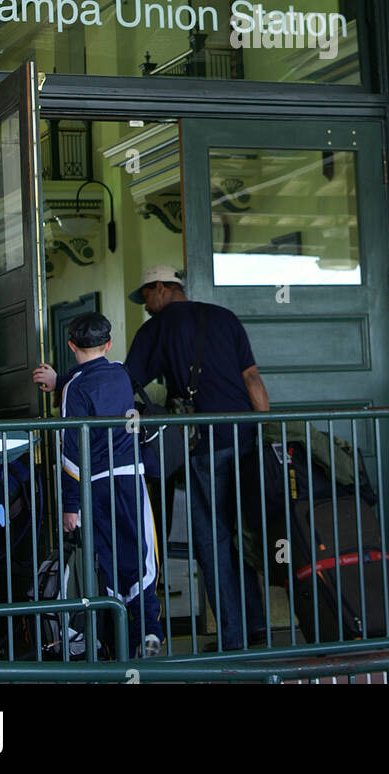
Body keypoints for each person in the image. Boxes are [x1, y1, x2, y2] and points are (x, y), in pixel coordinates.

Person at [124, 265, 270, 652]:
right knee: (244, 532)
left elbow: (127, 382)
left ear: (161, 288)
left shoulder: (157, 329)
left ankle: (232, 638)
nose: (146, 307)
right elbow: (252, 378)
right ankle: (256, 624)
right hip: (245, 438)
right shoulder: (224, 318)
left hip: (204, 445)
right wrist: (268, 429)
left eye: (147, 299)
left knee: (212, 539)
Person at [57, 311, 163, 659]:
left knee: (107, 560)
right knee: (143, 559)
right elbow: (99, 373)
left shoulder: (73, 387)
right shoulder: (120, 373)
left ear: (71, 345)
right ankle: (147, 633)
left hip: (95, 484)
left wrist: (70, 504)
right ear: (110, 343)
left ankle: (118, 646)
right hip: (130, 475)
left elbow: (70, 451)